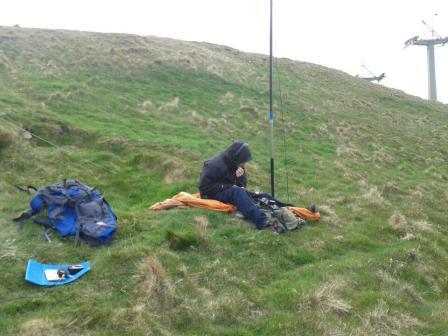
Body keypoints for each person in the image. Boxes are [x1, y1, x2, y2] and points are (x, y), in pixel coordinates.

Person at [199, 141, 285, 232]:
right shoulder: (214, 164)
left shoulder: (237, 163)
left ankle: (286, 209)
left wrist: (240, 177)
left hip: (230, 191)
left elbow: (242, 186)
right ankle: (263, 222)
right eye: (243, 161)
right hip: (210, 194)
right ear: (236, 157)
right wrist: (230, 187)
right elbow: (204, 188)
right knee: (238, 192)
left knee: (261, 195)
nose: (243, 164)